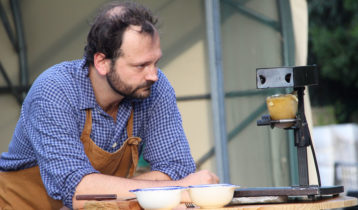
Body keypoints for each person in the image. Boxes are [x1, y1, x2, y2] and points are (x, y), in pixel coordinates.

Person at [0, 1, 219, 209]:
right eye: (140, 65)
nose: (153, 74)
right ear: (102, 62)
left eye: (155, 62)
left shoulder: (153, 88)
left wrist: (108, 189)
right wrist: (180, 190)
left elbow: (178, 168)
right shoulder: (55, 90)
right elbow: (77, 190)